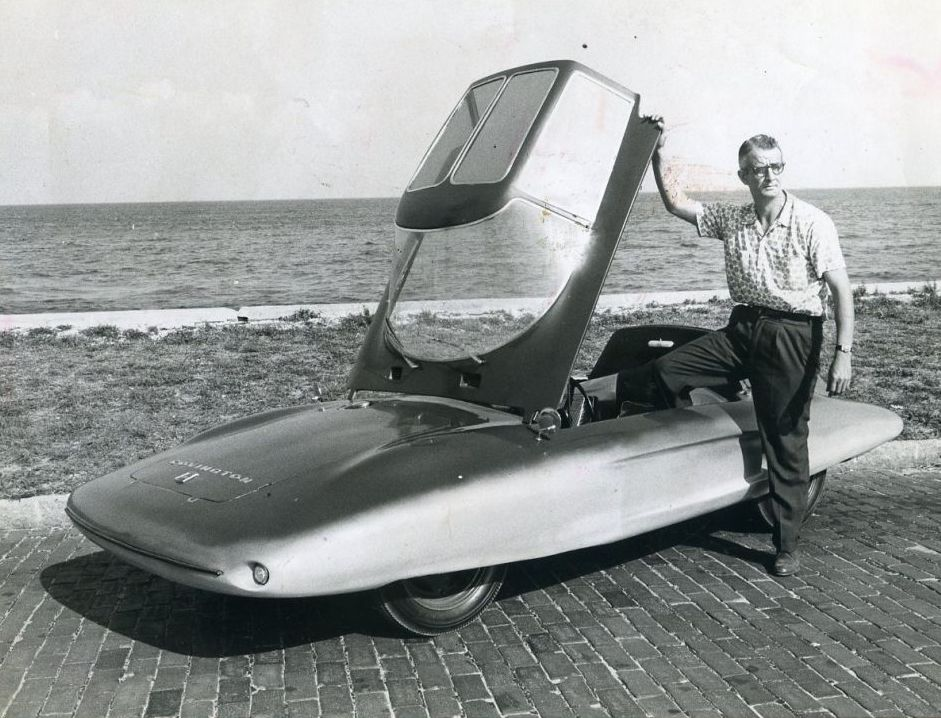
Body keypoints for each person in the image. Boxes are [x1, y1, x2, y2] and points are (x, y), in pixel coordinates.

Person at [642, 116, 854, 577]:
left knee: (786, 438)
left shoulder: (812, 221)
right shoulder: (732, 218)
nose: (769, 175)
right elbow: (675, 203)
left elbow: (841, 290)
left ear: (783, 169)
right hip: (743, 330)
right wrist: (657, 152)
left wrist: (843, 353)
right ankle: (705, 469)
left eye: (775, 166)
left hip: (793, 335)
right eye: (758, 169)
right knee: (667, 372)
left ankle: (787, 543)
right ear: (743, 176)